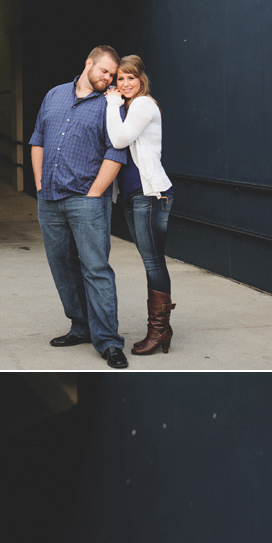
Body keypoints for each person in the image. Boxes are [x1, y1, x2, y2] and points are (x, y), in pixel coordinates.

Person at [30, 45, 129, 369]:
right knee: (63, 267)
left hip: (86, 200)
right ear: (89, 63)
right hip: (50, 199)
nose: (109, 79)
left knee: (96, 268)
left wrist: (93, 194)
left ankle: (109, 342)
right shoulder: (54, 95)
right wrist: (40, 186)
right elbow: (38, 140)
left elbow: (115, 153)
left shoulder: (110, 105)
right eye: (105, 71)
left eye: (113, 75)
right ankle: (80, 327)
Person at [105, 58, 174, 360]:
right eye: (120, 78)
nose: (125, 84)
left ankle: (159, 331)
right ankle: (160, 329)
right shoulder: (129, 107)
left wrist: (110, 104)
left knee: (153, 263)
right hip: (134, 196)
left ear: (141, 79)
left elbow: (119, 138)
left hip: (151, 194)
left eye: (130, 78)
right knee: (152, 261)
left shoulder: (143, 105)